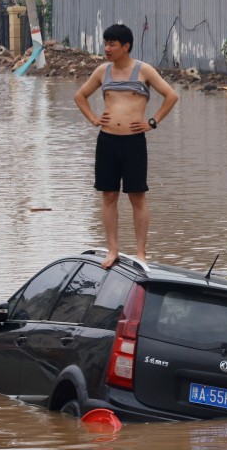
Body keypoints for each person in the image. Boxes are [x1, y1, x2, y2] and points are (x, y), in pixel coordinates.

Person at [74, 24, 179, 269]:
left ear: (126, 47)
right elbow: (80, 96)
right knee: (108, 195)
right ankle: (113, 250)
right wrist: (93, 119)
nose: (107, 49)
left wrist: (152, 122)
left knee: (137, 196)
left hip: (133, 142)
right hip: (107, 141)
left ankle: (141, 253)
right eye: (106, 43)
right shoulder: (102, 71)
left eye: (112, 44)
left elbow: (171, 95)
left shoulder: (144, 71)